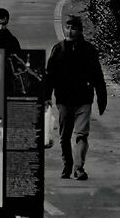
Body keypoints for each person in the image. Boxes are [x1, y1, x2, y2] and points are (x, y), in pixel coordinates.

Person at [45, 14, 107, 179]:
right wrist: (46, 97)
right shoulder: (58, 50)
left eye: (74, 28)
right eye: (68, 27)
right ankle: (68, 165)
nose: (70, 31)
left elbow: (97, 76)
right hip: (64, 101)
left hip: (83, 100)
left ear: (80, 31)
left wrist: (102, 98)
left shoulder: (89, 50)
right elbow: (49, 76)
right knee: (65, 137)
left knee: (81, 135)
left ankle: (79, 168)